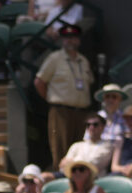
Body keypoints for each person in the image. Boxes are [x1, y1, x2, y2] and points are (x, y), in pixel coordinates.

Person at [35, 24, 92, 170]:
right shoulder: (54, 58)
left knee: (81, 152)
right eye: (66, 38)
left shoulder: (84, 61)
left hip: (82, 113)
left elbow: (90, 83)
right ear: (62, 40)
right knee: (61, 151)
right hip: (61, 112)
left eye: (73, 37)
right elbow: (39, 82)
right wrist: (51, 100)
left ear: (78, 40)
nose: (70, 41)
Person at [59, 113, 113, 177]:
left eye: (95, 124)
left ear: (103, 127)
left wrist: (71, 161)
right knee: (45, 176)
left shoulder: (107, 146)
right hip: (71, 177)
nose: (91, 127)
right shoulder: (76, 145)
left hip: (94, 180)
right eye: (88, 125)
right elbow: (62, 167)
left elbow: (92, 166)